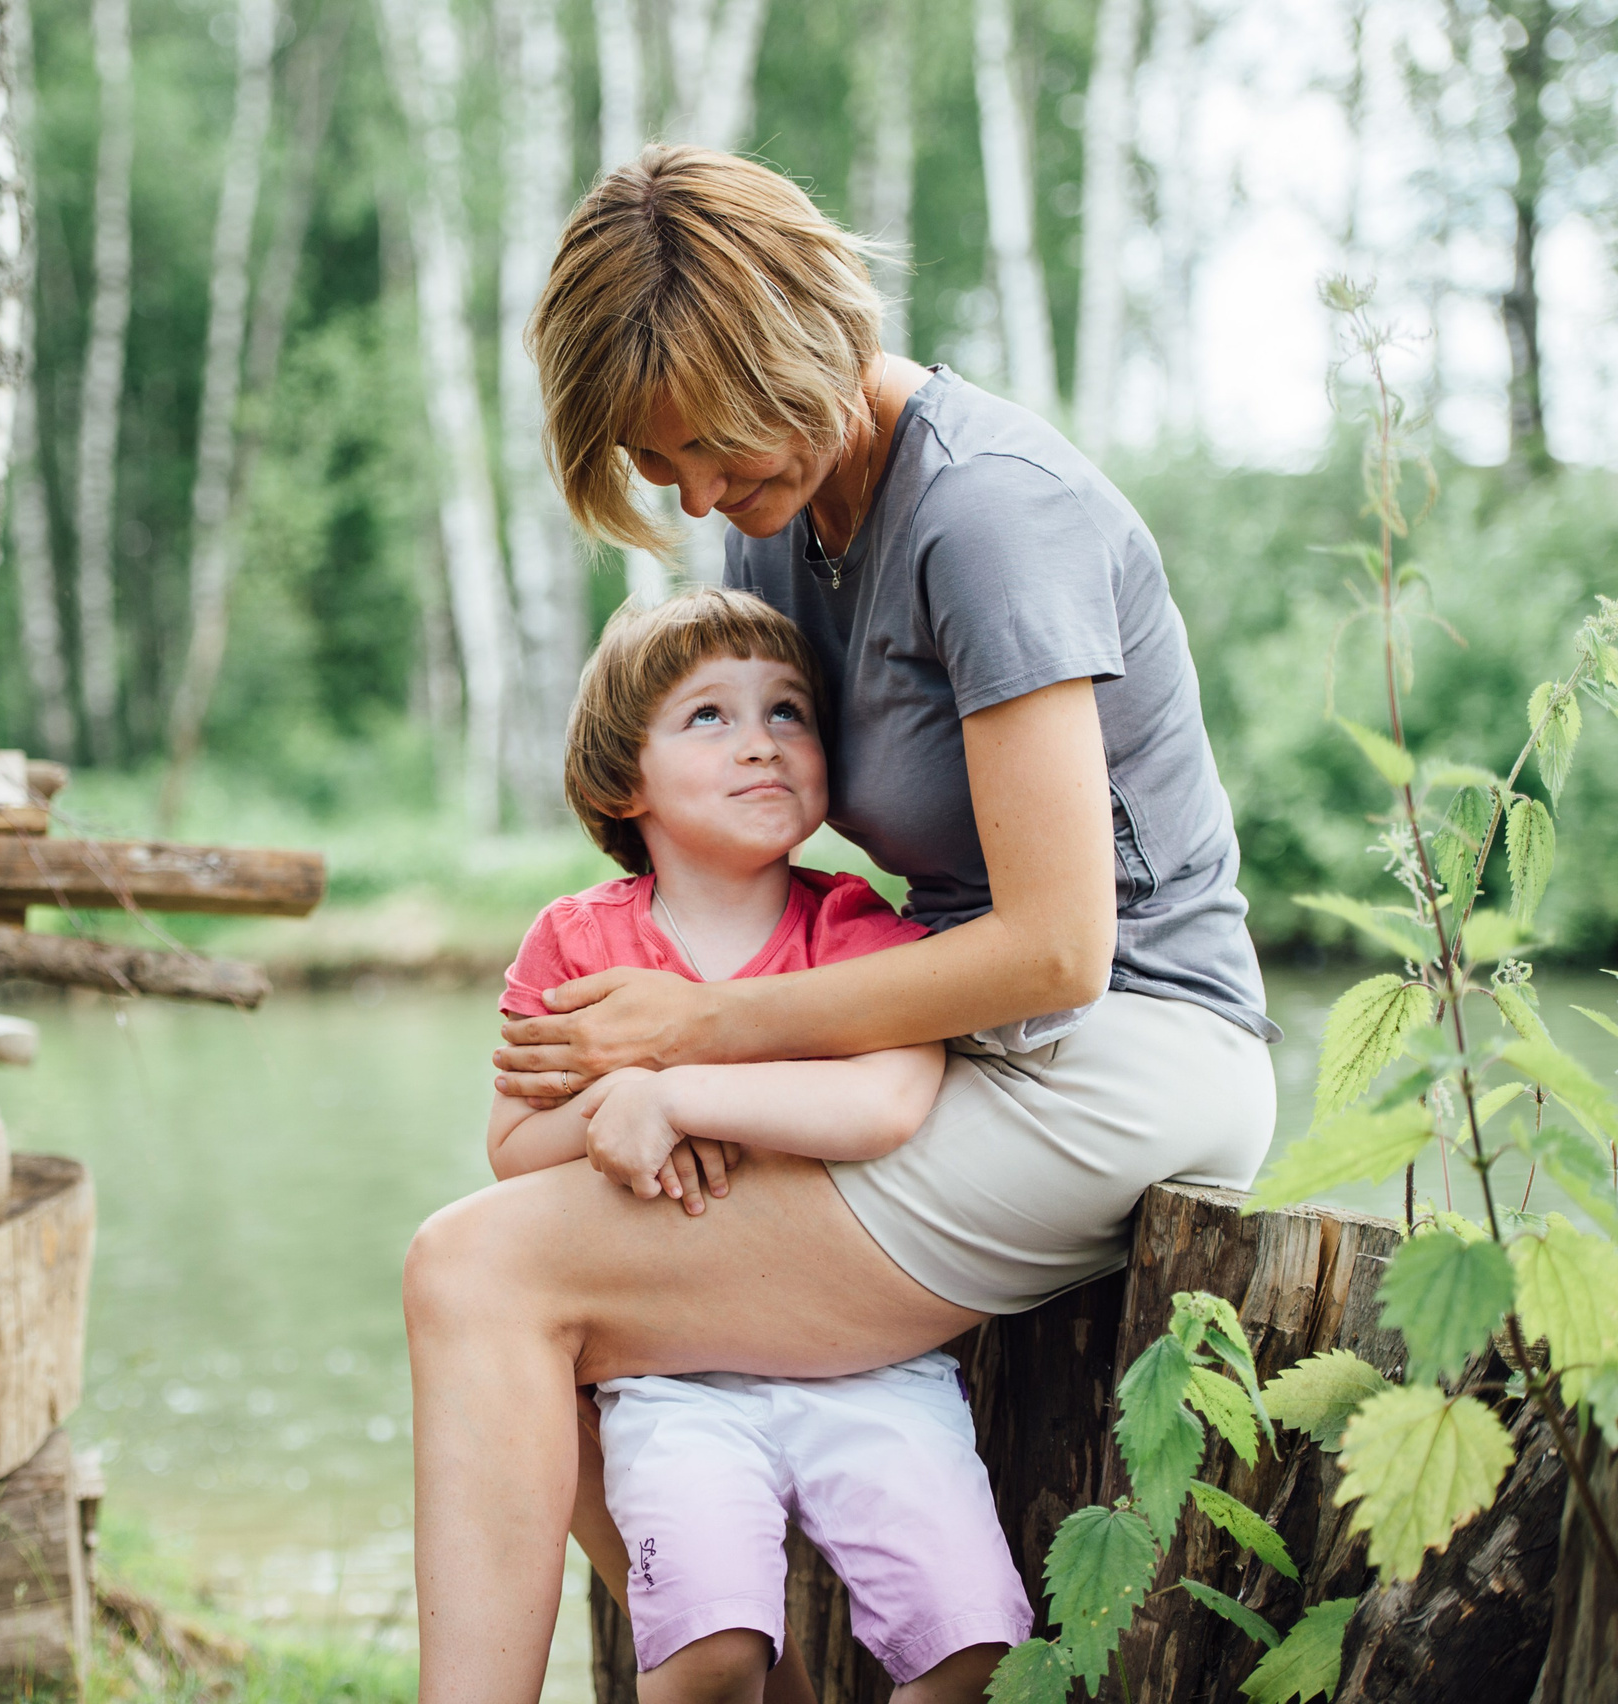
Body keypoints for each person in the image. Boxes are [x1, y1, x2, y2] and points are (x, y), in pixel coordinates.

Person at [402, 143, 1278, 1703]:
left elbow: (1061, 950)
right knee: (492, 1265)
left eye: (705, 450)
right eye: (660, 467)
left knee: (485, 1281)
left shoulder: (992, 516)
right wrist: (634, 1020)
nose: (693, 496)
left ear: (797, 341)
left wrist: (698, 1036)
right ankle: (730, 1667)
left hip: (1119, 1054)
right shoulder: (781, 520)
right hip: (941, 1039)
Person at [486, 587, 1032, 1702]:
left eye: (788, 712)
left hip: (865, 1363)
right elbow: (510, 1146)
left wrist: (680, 1094)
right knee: (710, 1656)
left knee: (969, 1647)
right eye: (708, 718)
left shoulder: (857, 931)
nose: (761, 743)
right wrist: (613, 1104)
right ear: (618, 780)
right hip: (673, 1375)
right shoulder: (580, 941)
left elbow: (882, 1108)